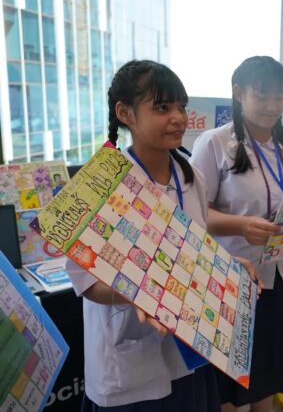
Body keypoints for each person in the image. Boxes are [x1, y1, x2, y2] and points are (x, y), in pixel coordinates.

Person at [65, 60, 221, 411]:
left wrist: (226, 268)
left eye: (181, 106)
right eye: (162, 108)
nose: (179, 117)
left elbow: (198, 248)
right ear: (126, 113)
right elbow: (85, 281)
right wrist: (140, 294)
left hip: (188, 351)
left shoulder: (191, 176)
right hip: (128, 364)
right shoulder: (96, 185)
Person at [190, 56, 283, 412]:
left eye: (280, 96)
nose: (273, 106)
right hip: (233, 276)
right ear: (239, 93)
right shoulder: (212, 144)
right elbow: (194, 215)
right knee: (228, 379)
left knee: (268, 373)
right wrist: (241, 225)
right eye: (263, 95)